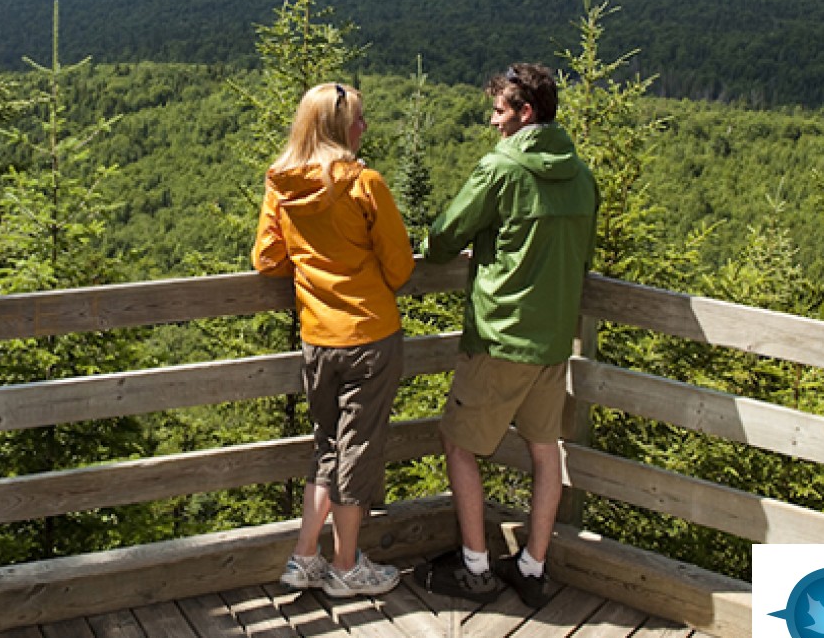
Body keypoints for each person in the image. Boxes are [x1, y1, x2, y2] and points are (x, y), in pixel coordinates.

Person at [417, 62, 598, 610]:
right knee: (546, 453)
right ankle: (532, 567)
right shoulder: (582, 177)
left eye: (499, 111)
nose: (492, 122)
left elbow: (446, 236)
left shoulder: (500, 169)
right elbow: (583, 257)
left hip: (500, 338)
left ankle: (475, 569)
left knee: (458, 442)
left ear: (526, 112)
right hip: (551, 344)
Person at [253, 81, 416, 598]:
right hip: (370, 335)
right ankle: (347, 566)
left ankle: (305, 557)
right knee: (358, 451)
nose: (365, 128)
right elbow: (400, 266)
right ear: (338, 128)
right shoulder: (364, 184)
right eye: (358, 121)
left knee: (328, 446)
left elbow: (267, 260)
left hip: (318, 337)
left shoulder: (282, 183)